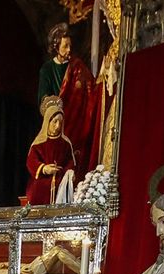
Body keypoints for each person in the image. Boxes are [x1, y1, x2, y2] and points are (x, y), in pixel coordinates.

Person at [37, 22, 103, 170]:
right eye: (65, 46)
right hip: (58, 122)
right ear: (56, 47)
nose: (69, 50)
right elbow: (43, 97)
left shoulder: (77, 66)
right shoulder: (47, 69)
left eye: (70, 46)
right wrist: (53, 108)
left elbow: (92, 88)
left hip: (77, 122)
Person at [26, 95, 78, 205]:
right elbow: (31, 161)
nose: (58, 126)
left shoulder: (66, 143)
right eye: (54, 121)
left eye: (60, 122)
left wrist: (70, 171)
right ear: (47, 122)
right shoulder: (39, 142)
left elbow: (70, 162)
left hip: (61, 184)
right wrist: (44, 168)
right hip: (41, 185)